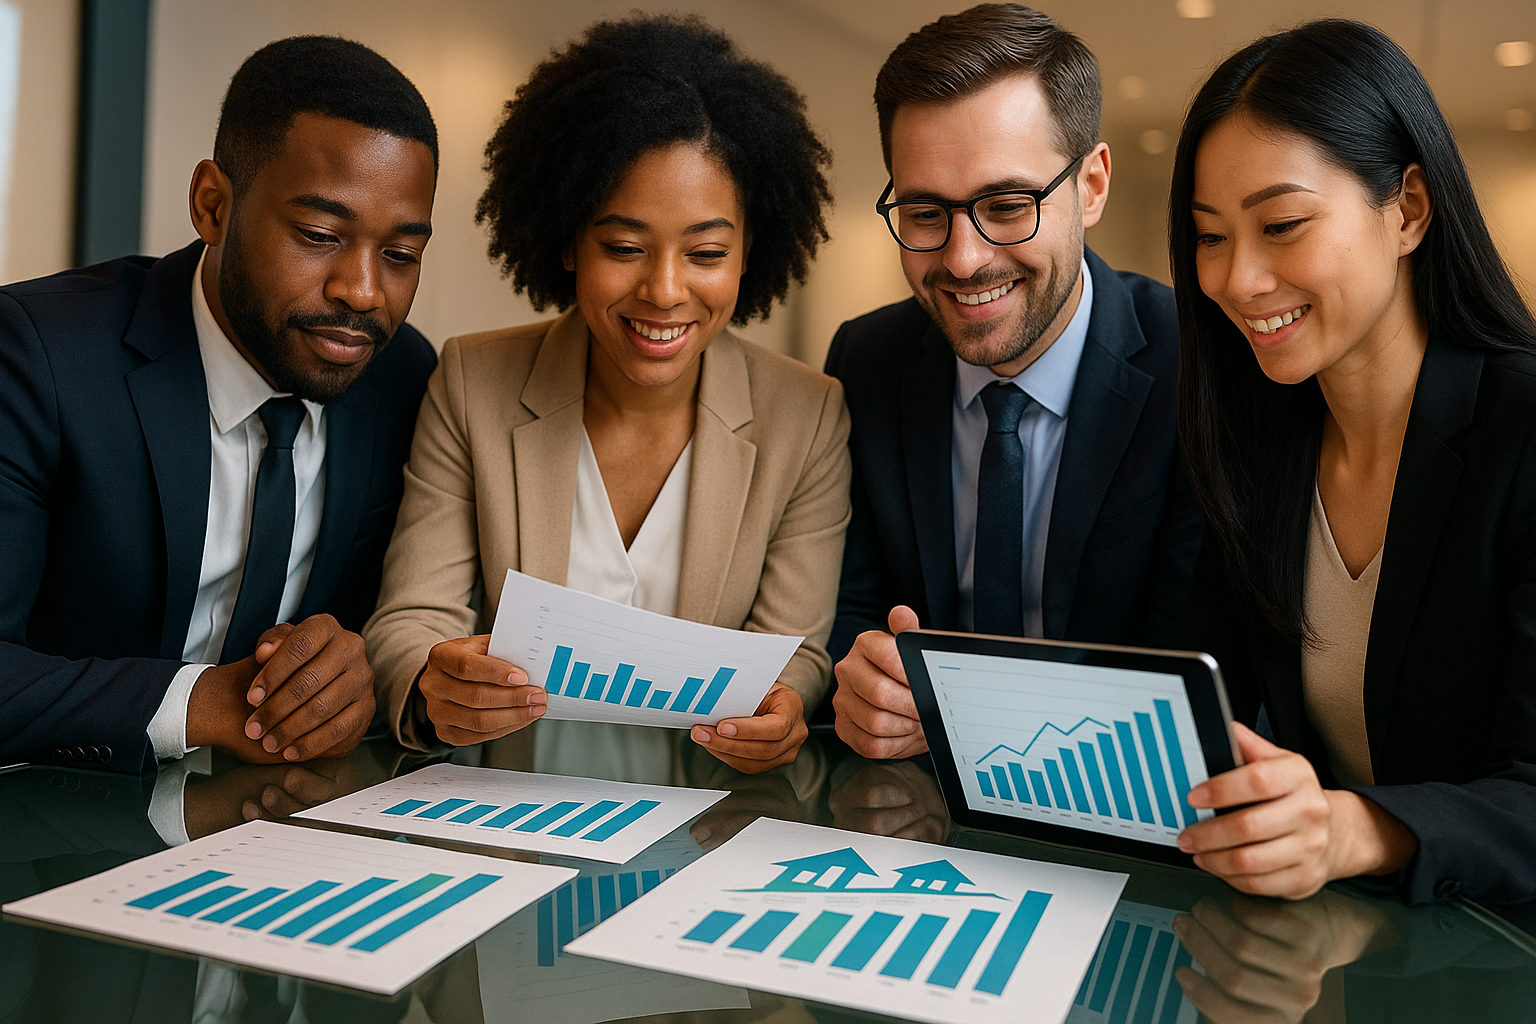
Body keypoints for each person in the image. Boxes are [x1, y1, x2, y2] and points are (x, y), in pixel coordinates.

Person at [364, 14, 848, 774]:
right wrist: (433, 679)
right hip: (507, 818)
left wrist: (785, 704)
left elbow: (795, 650)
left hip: (700, 828)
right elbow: (411, 616)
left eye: (707, 253)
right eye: (623, 248)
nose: (663, 291)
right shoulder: (472, 382)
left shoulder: (807, 415)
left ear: (751, 251)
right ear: (567, 240)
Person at [1170, 19, 1536, 905]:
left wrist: (1353, 827)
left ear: (1408, 208)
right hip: (1332, 950)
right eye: (1210, 237)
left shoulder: (1522, 428)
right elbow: (1195, 706)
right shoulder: (1261, 442)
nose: (1237, 279)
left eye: (1282, 224)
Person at [0, 36, 439, 774]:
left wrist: (346, 676)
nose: (364, 292)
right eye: (321, 235)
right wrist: (199, 703)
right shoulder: (37, 357)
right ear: (213, 204)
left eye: (400, 253)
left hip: (273, 834)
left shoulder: (403, 377)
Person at [826, 3, 1204, 760]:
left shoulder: (1195, 368)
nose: (964, 259)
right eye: (926, 212)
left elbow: (1193, 675)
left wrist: (975, 725)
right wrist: (863, 681)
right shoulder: (866, 361)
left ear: (1091, 186)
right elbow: (850, 610)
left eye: (1007, 206)